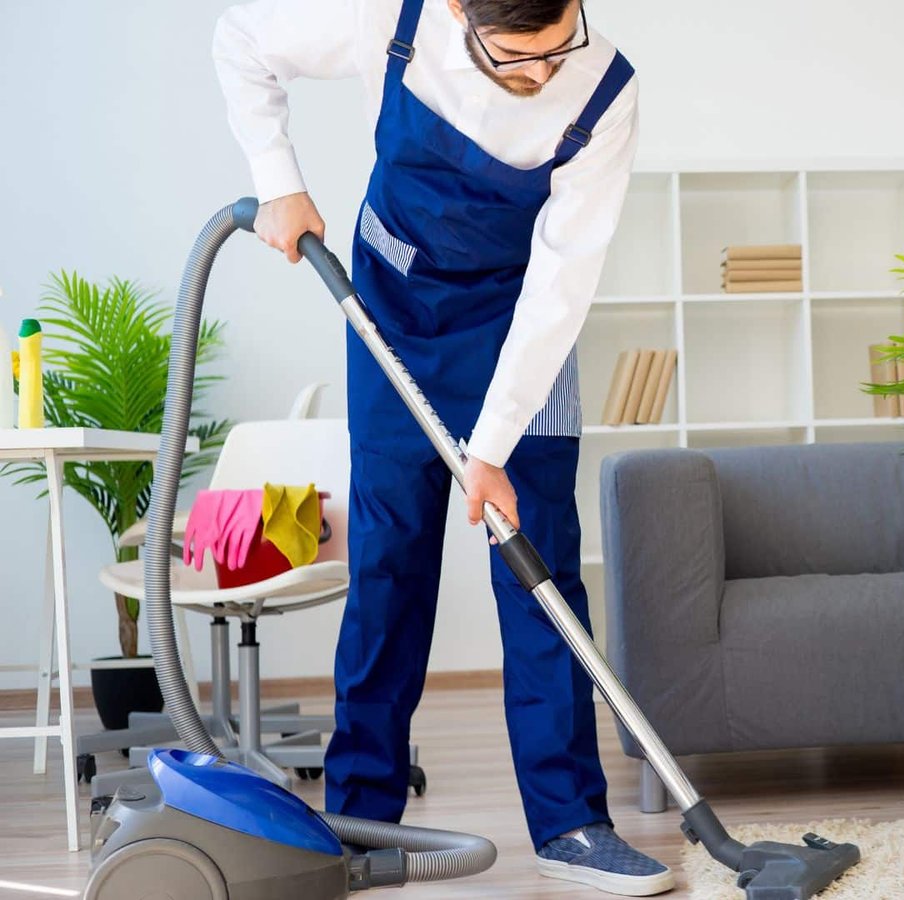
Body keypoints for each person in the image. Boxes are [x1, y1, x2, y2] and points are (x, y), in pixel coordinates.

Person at [214, 0, 673, 892]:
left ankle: (573, 824)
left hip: (522, 334)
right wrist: (278, 180)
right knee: (388, 566)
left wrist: (492, 446)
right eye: (514, 57)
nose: (541, 75)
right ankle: (360, 816)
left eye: (558, 49)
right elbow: (241, 39)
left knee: (542, 571)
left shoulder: (606, 88)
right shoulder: (390, 18)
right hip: (392, 314)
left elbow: (562, 284)